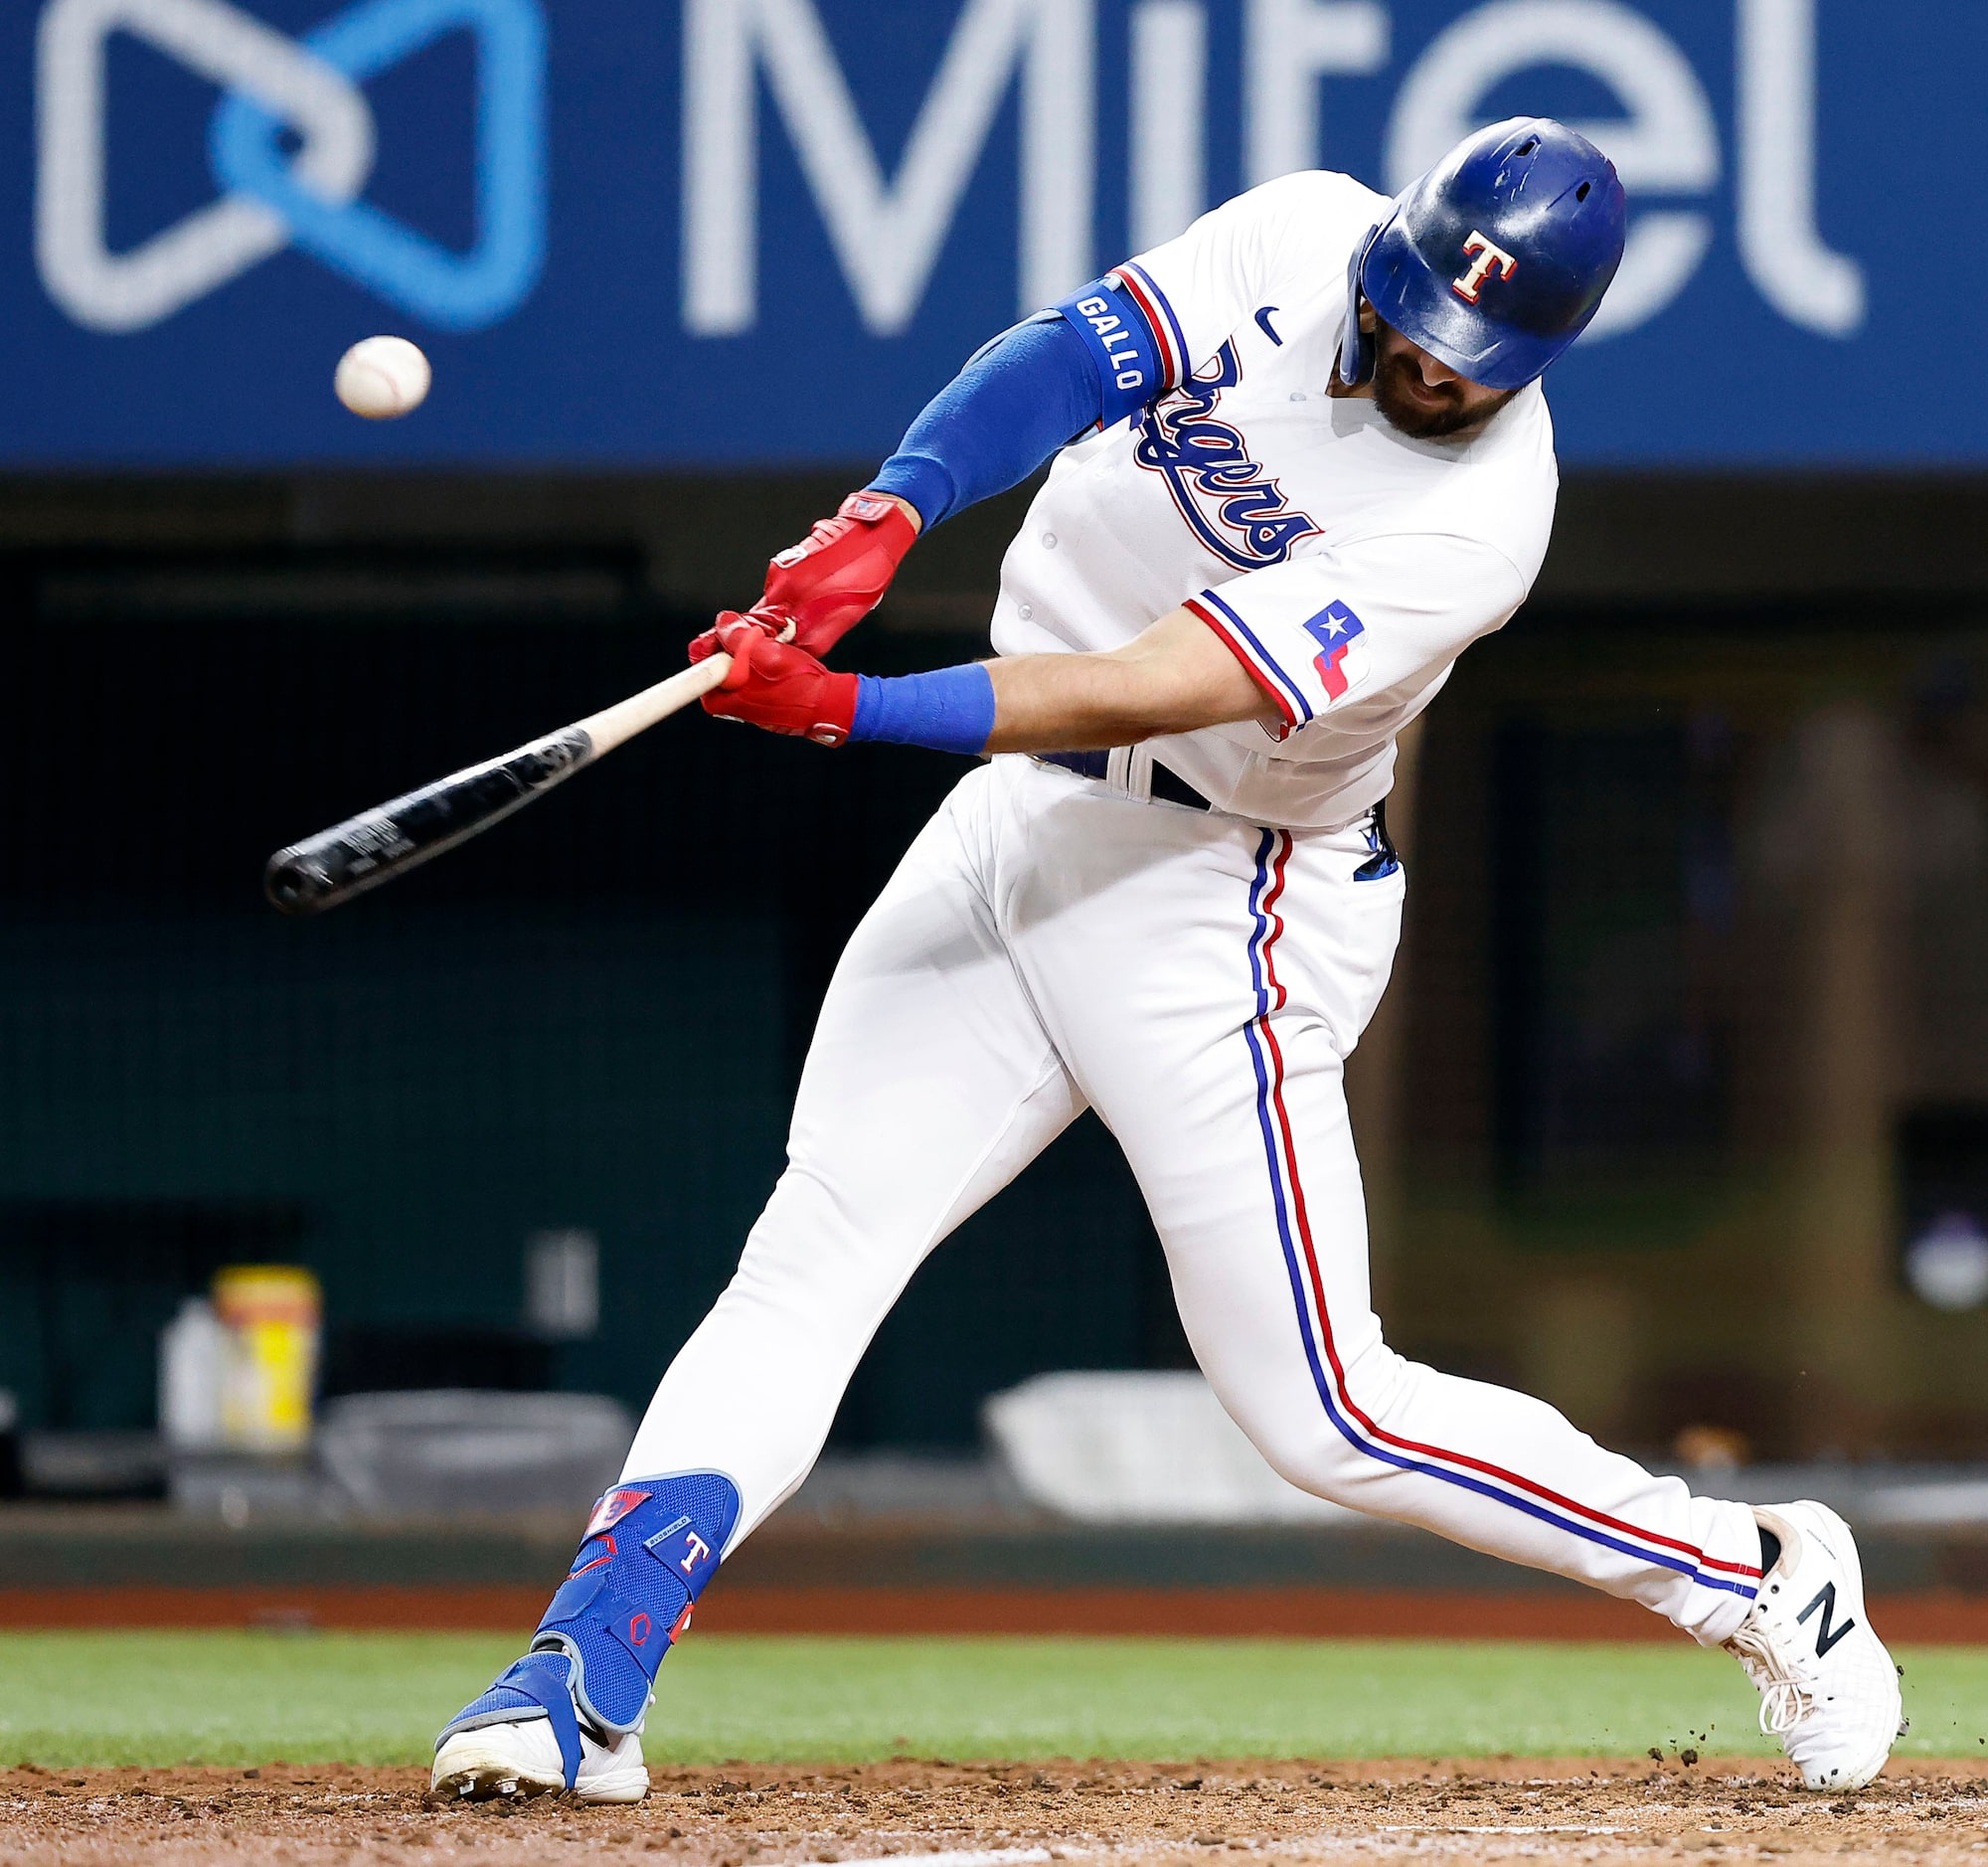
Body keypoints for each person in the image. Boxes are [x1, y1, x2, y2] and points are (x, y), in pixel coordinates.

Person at [432, 118, 1902, 1802]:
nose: (1430, 366)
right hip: (1016, 832)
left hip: (1225, 891)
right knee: (814, 1248)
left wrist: (850, 706)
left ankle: (1761, 1574)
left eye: (1471, 360)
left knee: (1323, 1411)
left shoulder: (1486, 521)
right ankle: (582, 1664)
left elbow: (1163, 680)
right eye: (1416, 319)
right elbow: (1064, 357)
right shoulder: (1299, 234)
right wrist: (885, 517)